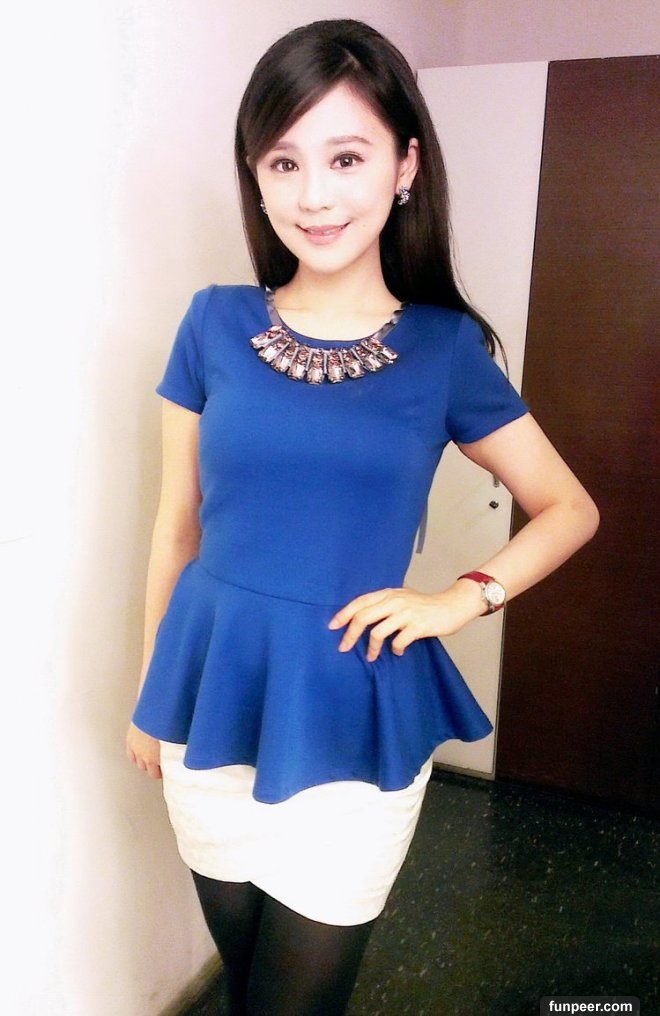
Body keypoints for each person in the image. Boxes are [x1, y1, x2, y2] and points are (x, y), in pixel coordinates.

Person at [125, 18, 599, 1016]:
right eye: (284, 161)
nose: (314, 194)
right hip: (211, 697)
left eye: (346, 157)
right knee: (248, 986)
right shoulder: (212, 322)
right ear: (256, 178)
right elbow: (177, 524)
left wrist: (459, 599)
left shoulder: (444, 350)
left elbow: (569, 507)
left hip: (353, 707)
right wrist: (148, 695)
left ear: (405, 165)